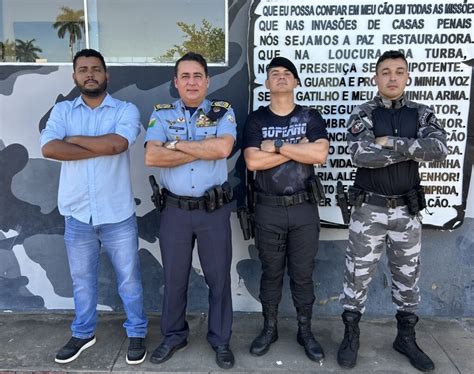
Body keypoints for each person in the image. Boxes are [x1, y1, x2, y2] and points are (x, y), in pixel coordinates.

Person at [337, 50, 448, 371]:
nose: (392, 77)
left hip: (406, 210)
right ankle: (350, 335)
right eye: (385, 71)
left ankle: (406, 338)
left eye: (399, 71)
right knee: (357, 276)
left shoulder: (422, 113)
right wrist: (412, 147)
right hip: (368, 209)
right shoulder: (364, 113)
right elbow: (361, 155)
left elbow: (439, 148)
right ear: (376, 77)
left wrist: (390, 142)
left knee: (407, 278)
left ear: (408, 76)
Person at [40, 49, 148, 365]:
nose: (90, 74)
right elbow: (49, 148)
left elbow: (118, 145)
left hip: (117, 213)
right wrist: (98, 145)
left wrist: (73, 141)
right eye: (83, 69)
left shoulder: (125, 109)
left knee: (129, 278)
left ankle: (137, 331)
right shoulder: (62, 110)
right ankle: (84, 333)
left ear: (106, 75)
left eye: (96, 69)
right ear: (74, 76)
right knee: (82, 280)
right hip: (77, 214)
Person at [144, 52, 236, 369]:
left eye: (197, 75)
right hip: (175, 211)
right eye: (185, 76)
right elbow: (152, 158)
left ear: (207, 81)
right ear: (176, 82)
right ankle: (173, 337)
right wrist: (200, 149)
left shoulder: (224, 112)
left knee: (219, 279)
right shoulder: (162, 114)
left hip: (213, 210)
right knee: (174, 279)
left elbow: (223, 149)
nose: (192, 81)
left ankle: (221, 340)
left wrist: (175, 145)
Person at [243, 57, 329, 362]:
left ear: (295, 82)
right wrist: (296, 150)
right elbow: (253, 162)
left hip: (304, 208)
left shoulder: (310, 116)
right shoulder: (256, 120)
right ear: (267, 84)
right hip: (268, 209)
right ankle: (270, 328)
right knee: (271, 272)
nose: (281, 77)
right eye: (274, 74)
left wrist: (276, 146)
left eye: (287, 73)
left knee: (303, 274)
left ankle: (305, 330)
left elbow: (319, 153)